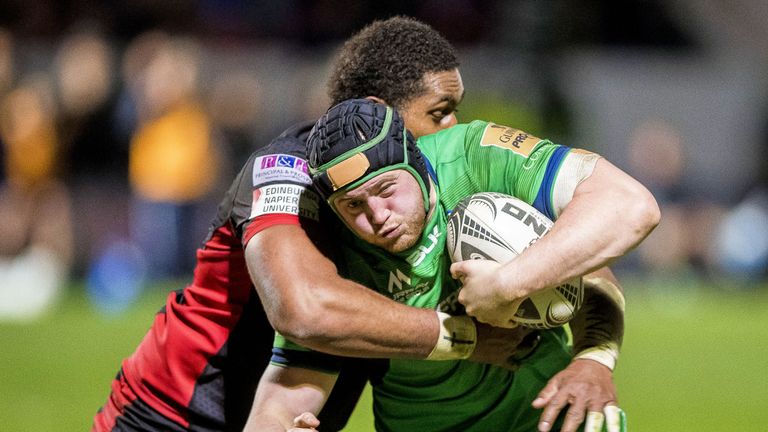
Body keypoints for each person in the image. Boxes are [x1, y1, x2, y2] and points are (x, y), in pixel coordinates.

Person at [93, 17, 628, 432]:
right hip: (180, 407)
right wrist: (465, 337)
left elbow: (582, 259)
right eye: (440, 112)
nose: (453, 128)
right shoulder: (287, 169)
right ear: (379, 110)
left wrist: (593, 355)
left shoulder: (446, 176)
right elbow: (305, 310)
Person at [246, 99, 657, 431]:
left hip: (551, 412)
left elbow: (627, 211)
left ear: (417, 162)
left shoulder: (472, 159)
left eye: (386, 189)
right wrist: (278, 425)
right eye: (353, 205)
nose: (377, 216)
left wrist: (593, 356)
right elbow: (285, 393)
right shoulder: (338, 252)